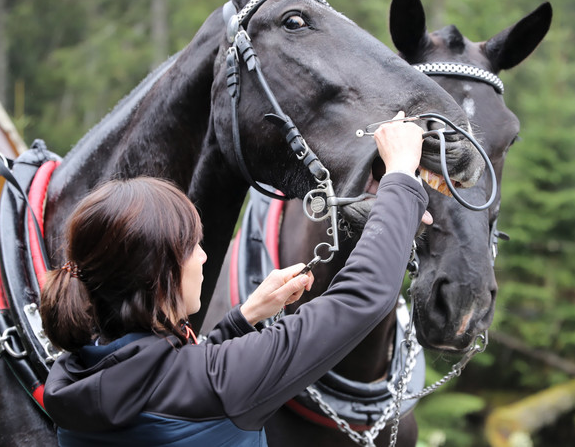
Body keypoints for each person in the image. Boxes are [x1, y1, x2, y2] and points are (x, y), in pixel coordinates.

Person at [40, 111, 431, 446]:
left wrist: (242, 318)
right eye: (193, 246)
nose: (205, 256)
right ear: (160, 277)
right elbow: (361, 300)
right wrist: (400, 177)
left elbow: (177, 382)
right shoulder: (218, 382)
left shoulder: (70, 377)